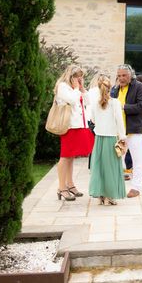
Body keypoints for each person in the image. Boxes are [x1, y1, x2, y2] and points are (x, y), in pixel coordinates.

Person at [54, 65, 94, 201]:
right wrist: (77, 88)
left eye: (81, 77)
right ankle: (61, 187)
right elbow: (72, 100)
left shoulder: (76, 89)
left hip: (79, 125)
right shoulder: (62, 87)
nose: (80, 79)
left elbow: (88, 101)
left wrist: (82, 89)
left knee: (71, 156)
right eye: (77, 77)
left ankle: (70, 184)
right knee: (65, 156)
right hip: (69, 126)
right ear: (71, 76)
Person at [88, 74, 127, 205]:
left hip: (99, 139)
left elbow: (92, 120)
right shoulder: (115, 103)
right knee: (111, 167)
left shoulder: (94, 103)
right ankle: (110, 196)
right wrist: (122, 137)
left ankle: (101, 195)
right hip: (111, 139)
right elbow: (119, 122)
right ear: (110, 89)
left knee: (99, 167)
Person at [111, 64, 142, 199]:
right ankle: (117, 184)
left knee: (138, 160)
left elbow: (141, 106)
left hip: (134, 130)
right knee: (118, 160)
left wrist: (123, 107)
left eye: (124, 75)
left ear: (131, 75)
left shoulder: (139, 87)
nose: (121, 78)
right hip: (118, 131)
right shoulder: (114, 89)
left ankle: (136, 187)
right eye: (119, 75)